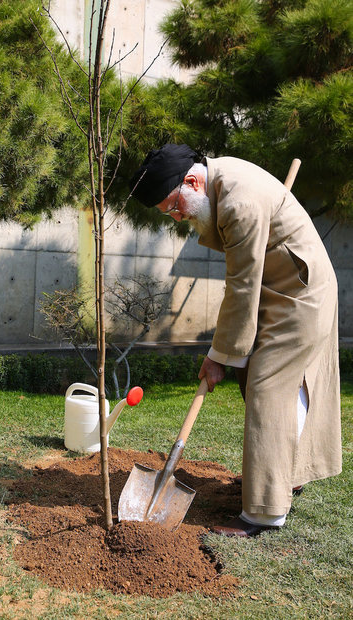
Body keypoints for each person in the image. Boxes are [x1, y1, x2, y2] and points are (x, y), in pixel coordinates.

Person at [129, 143, 342, 537]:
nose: (177, 217)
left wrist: (219, 356)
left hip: (299, 295)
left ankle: (264, 514)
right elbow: (246, 282)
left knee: (269, 388)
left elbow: (242, 287)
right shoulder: (220, 180)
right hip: (275, 287)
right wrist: (227, 356)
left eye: (174, 206)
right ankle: (284, 474)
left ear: (192, 181)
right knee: (255, 382)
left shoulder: (237, 203)